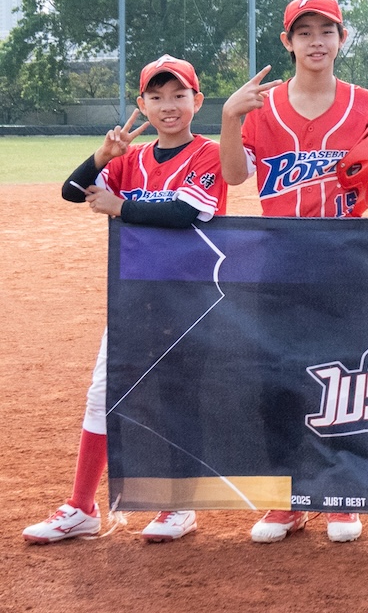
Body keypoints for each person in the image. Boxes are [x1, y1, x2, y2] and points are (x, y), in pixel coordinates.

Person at [220, 0, 368, 544]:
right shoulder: (263, 108)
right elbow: (234, 175)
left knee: (344, 378)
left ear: (342, 39)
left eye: (327, 31)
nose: (316, 42)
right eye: (304, 33)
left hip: (345, 258)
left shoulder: (362, 103)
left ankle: (341, 495)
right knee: (280, 380)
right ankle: (287, 499)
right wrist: (228, 117)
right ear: (288, 42)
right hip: (280, 259)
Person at [24, 56, 226, 546]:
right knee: (103, 394)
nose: (168, 106)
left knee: (177, 398)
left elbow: (185, 213)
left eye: (178, 95)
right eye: (156, 97)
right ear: (142, 104)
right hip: (133, 296)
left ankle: (179, 505)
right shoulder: (130, 160)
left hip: (191, 299)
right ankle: (82, 507)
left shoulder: (208, 153)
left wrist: (120, 206)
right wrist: (102, 155)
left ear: (197, 101)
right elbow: (73, 191)